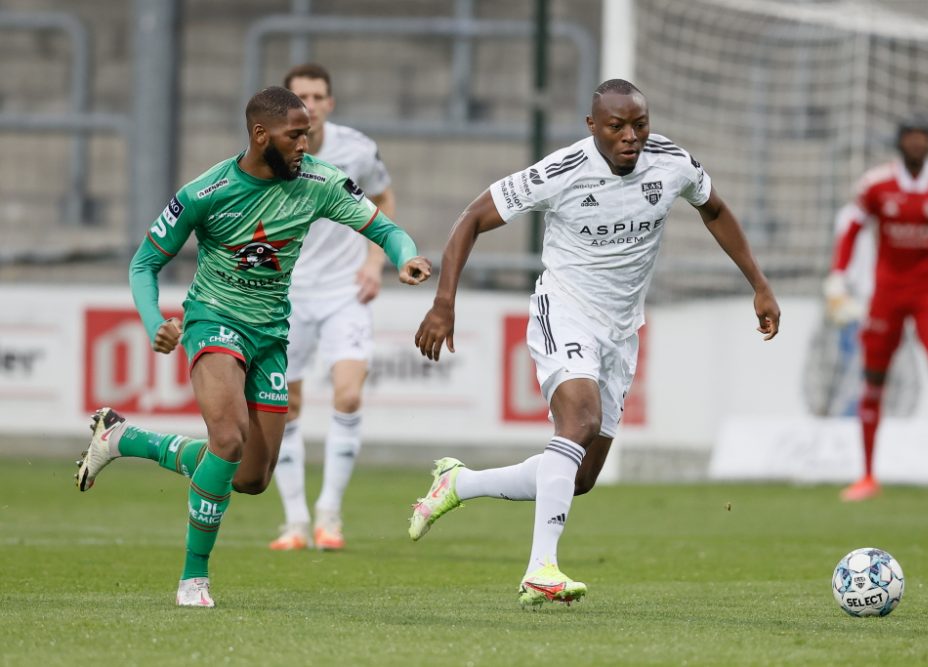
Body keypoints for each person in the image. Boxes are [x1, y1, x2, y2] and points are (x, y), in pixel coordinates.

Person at [407, 79, 780, 607]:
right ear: (592, 127)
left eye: (639, 125)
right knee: (577, 422)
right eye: (617, 127)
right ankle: (541, 569)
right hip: (565, 310)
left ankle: (458, 484)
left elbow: (713, 210)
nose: (631, 137)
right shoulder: (562, 171)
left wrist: (759, 283)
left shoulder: (671, 162)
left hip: (623, 330)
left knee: (579, 477)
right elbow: (471, 218)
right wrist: (444, 302)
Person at [74, 86, 431, 607]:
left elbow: (384, 227)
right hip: (213, 321)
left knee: (250, 477)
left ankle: (125, 438)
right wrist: (156, 321)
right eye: (295, 135)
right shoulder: (206, 191)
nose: (304, 145)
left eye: (307, 134)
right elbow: (143, 263)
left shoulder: (319, 183)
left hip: (271, 335)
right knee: (227, 435)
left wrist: (405, 257)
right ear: (261, 135)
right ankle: (193, 577)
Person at [265, 64, 396, 552]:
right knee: (286, 407)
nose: (311, 104)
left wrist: (373, 261)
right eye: (302, 96)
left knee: (347, 396)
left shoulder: (357, 149)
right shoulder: (267, 155)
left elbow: (383, 197)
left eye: (319, 96)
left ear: (330, 104)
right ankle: (295, 522)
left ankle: (329, 517)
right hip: (287, 294)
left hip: (345, 290)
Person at [824, 113, 928, 503]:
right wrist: (837, 279)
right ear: (899, 141)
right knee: (873, 381)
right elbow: (852, 228)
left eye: (922, 137)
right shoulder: (876, 185)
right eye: (910, 136)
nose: (916, 143)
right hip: (888, 294)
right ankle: (866, 475)